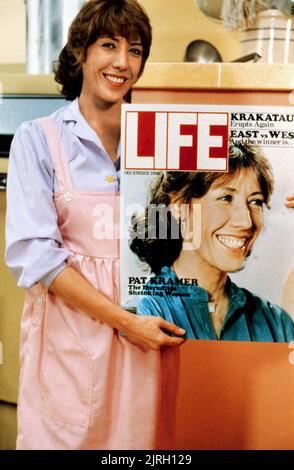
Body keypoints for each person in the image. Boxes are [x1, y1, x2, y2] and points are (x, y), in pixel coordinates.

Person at [5, 0, 185, 450]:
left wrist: (283, 205)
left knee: (139, 446)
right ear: (80, 52)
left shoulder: (162, 140)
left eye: (136, 49)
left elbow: (210, 204)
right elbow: (36, 256)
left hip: (147, 339)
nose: (123, 62)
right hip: (72, 341)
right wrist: (123, 321)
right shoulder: (40, 138)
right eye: (108, 45)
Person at [130, 142, 294, 342]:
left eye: (255, 201)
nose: (246, 221)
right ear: (179, 205)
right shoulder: (141, 314)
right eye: (226, 198)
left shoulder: (276, 322)